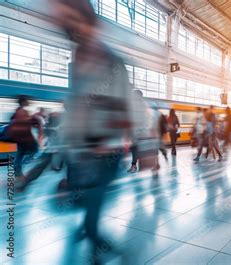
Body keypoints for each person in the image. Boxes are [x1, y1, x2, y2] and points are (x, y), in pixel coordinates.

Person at [54, 0, 132, 259]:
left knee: (94, 199)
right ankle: (92, 234)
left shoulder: (111, 61)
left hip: (102, 152)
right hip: (81, 152)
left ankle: (96, 239)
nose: (63, 24)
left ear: (88, 22)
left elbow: (123, 107)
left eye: (70, 18)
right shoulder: (74, 62)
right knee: (88, 198)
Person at [5, 95, 40, 186]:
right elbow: (25, 124)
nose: (28, 102)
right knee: (34, 150)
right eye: (27, 101)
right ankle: (19, 171)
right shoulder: (23, 112)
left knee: (20, 155)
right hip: (25, 138)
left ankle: (17, 172)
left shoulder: (17, 111)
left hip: (19, 138)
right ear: (24, 102)